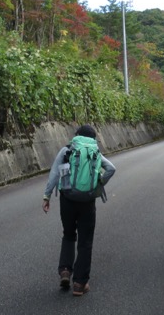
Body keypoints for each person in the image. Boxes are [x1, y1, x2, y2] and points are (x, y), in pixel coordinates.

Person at [42, 124, 116, 296]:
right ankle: (80, 284)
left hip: (67, 199)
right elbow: (112, 169)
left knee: (68, 234)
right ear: (93, 138)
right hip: (87, 202)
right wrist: (99, 183)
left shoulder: (67, 150)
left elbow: (54, 174)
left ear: (76, 135)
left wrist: (46, 196)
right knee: (85, 241)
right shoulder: (95, 152)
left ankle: (65, 271)